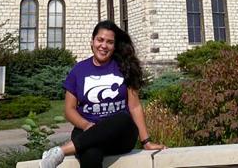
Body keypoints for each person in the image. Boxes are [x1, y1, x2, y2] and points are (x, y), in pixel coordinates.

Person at [40, 20, 165, 168]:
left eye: (110, 42)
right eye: (100, 40)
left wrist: (147, 142)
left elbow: (135, 107)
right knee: (90, 155)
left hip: (120, 135)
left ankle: (60, 152)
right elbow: (69, 110)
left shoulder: (124, 67)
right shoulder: (78, 70)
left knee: (122, 118)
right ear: (92, 41)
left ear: (114, 46)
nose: (104, 45)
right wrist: (86, 125)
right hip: (86, 131)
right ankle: (70, 148)